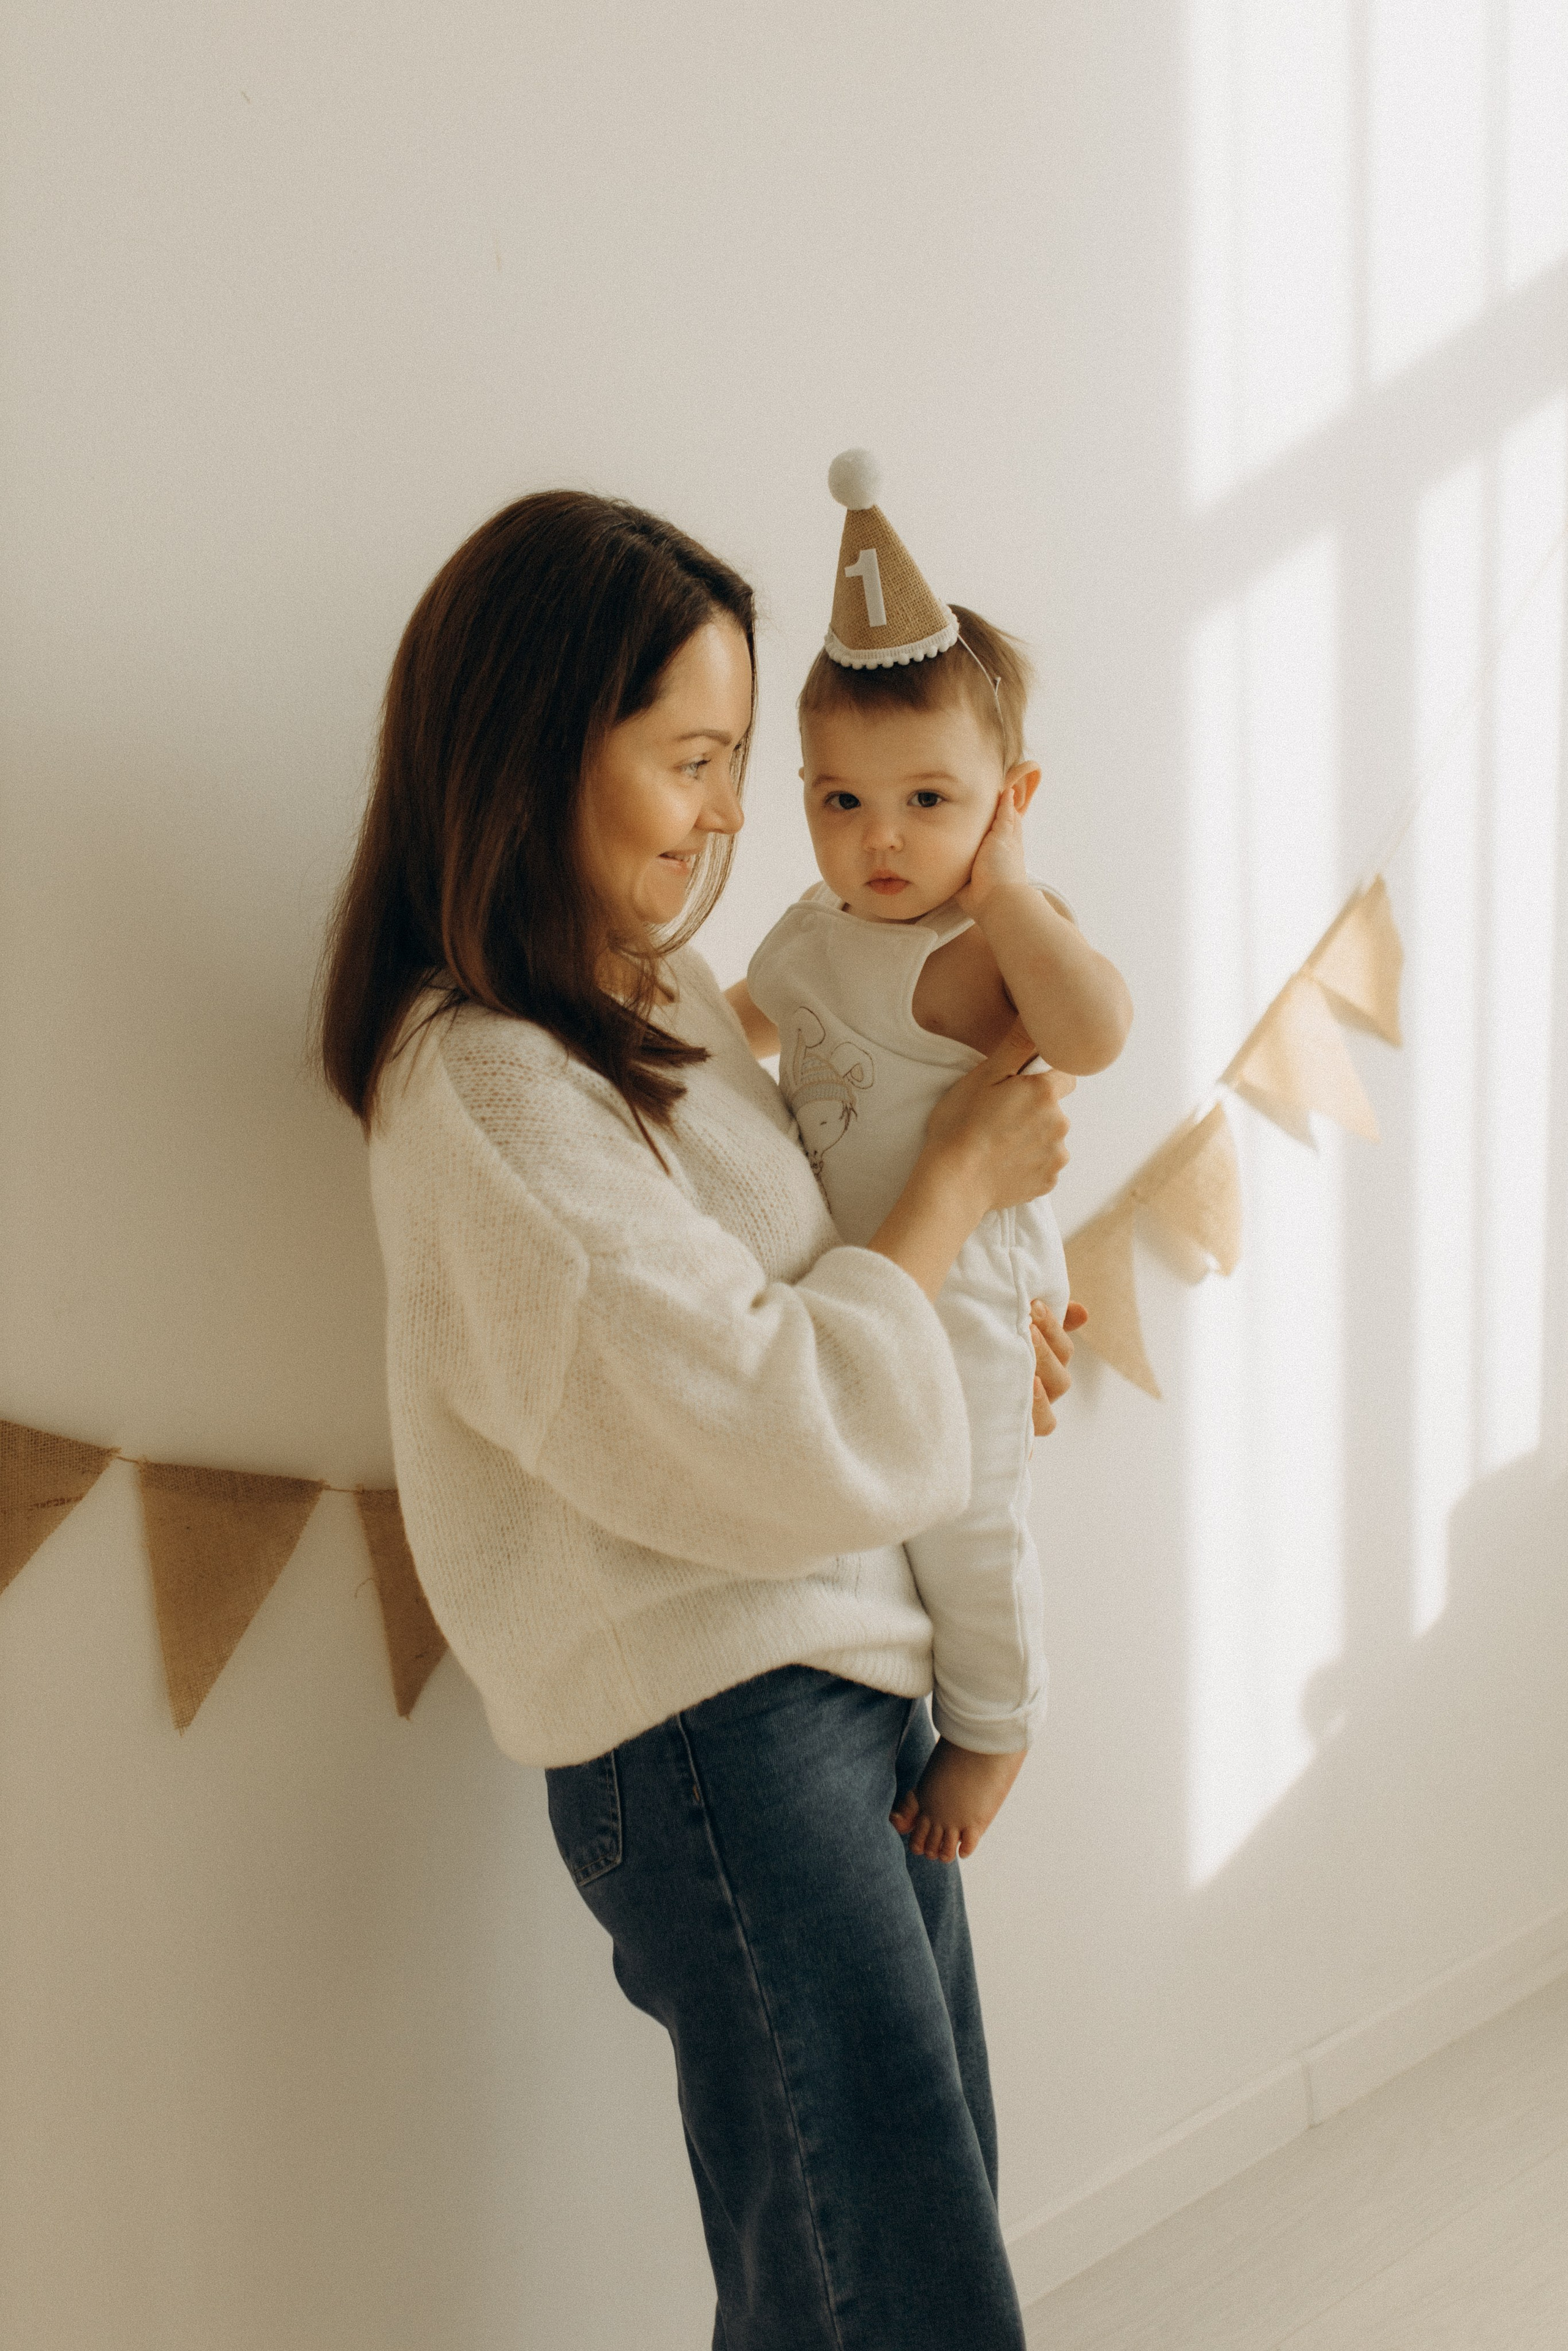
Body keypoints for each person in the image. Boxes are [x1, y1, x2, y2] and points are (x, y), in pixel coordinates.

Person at [317, 488, 1082, 2351]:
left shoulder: (654, 1003)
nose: (738, 815)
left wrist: (971, 1317)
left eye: (747, 763)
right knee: (881, 2270)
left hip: (832, 1679)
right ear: (532, 750)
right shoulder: (487, 1089)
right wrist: (949, 1203)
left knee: (885, 2236)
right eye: (696, 758)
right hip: (722, 1723)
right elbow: (748, 1415)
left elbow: (819, 1288)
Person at [726, 451, 1131, 1868]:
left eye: (926, 800)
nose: (879, 838)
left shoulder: (980, 949)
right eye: (840, 801)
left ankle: (996, 1719)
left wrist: (1012, 889)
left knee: (964, 1518)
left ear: (1005, 797)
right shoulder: (807, 929)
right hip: (865, 1274)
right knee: (891, 1511)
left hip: (962, 1285)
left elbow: (1097, 1028)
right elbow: (733, 1035)